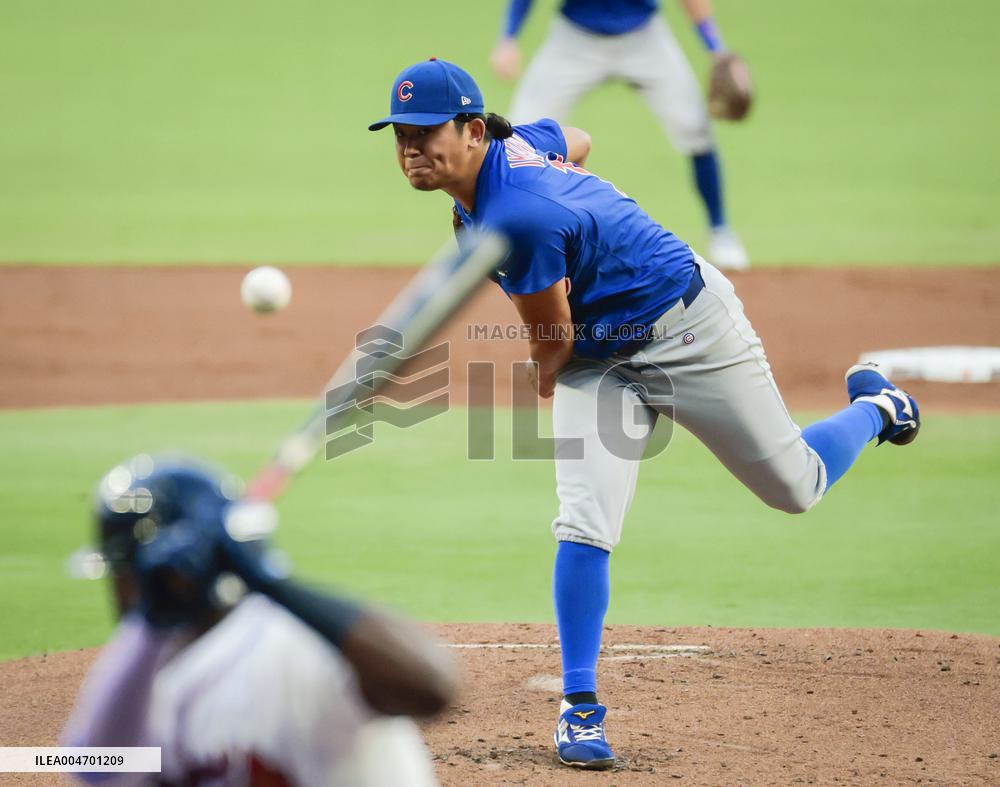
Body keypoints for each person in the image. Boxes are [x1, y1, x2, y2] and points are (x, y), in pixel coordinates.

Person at [369, 59, 921, 770]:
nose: (410, 148)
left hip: (689, 329)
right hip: (605, 359)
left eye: (426, 132)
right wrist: (589, 224)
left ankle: (877, 403)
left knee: (796, 485)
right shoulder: (511, 150)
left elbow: (555, 343)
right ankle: (579, 707)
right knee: (583, 519)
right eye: (400, 135)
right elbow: (580, 137)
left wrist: (540, 377)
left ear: (474, 131)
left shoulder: (516, 218)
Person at [62, 454, 458, 785]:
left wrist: (270, 582)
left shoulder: (291, 647)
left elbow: (432, 688)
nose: (118, 591)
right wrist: (152, 625)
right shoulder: (143, 663)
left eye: (122, 574)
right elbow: (95, 766)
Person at [490, 0, 750, 270]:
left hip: (646, 38)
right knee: (517, 139)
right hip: (574, 40)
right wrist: (508, 38)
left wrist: (715, 47)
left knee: (696, 129)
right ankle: (504, 236)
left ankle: (720, 231)